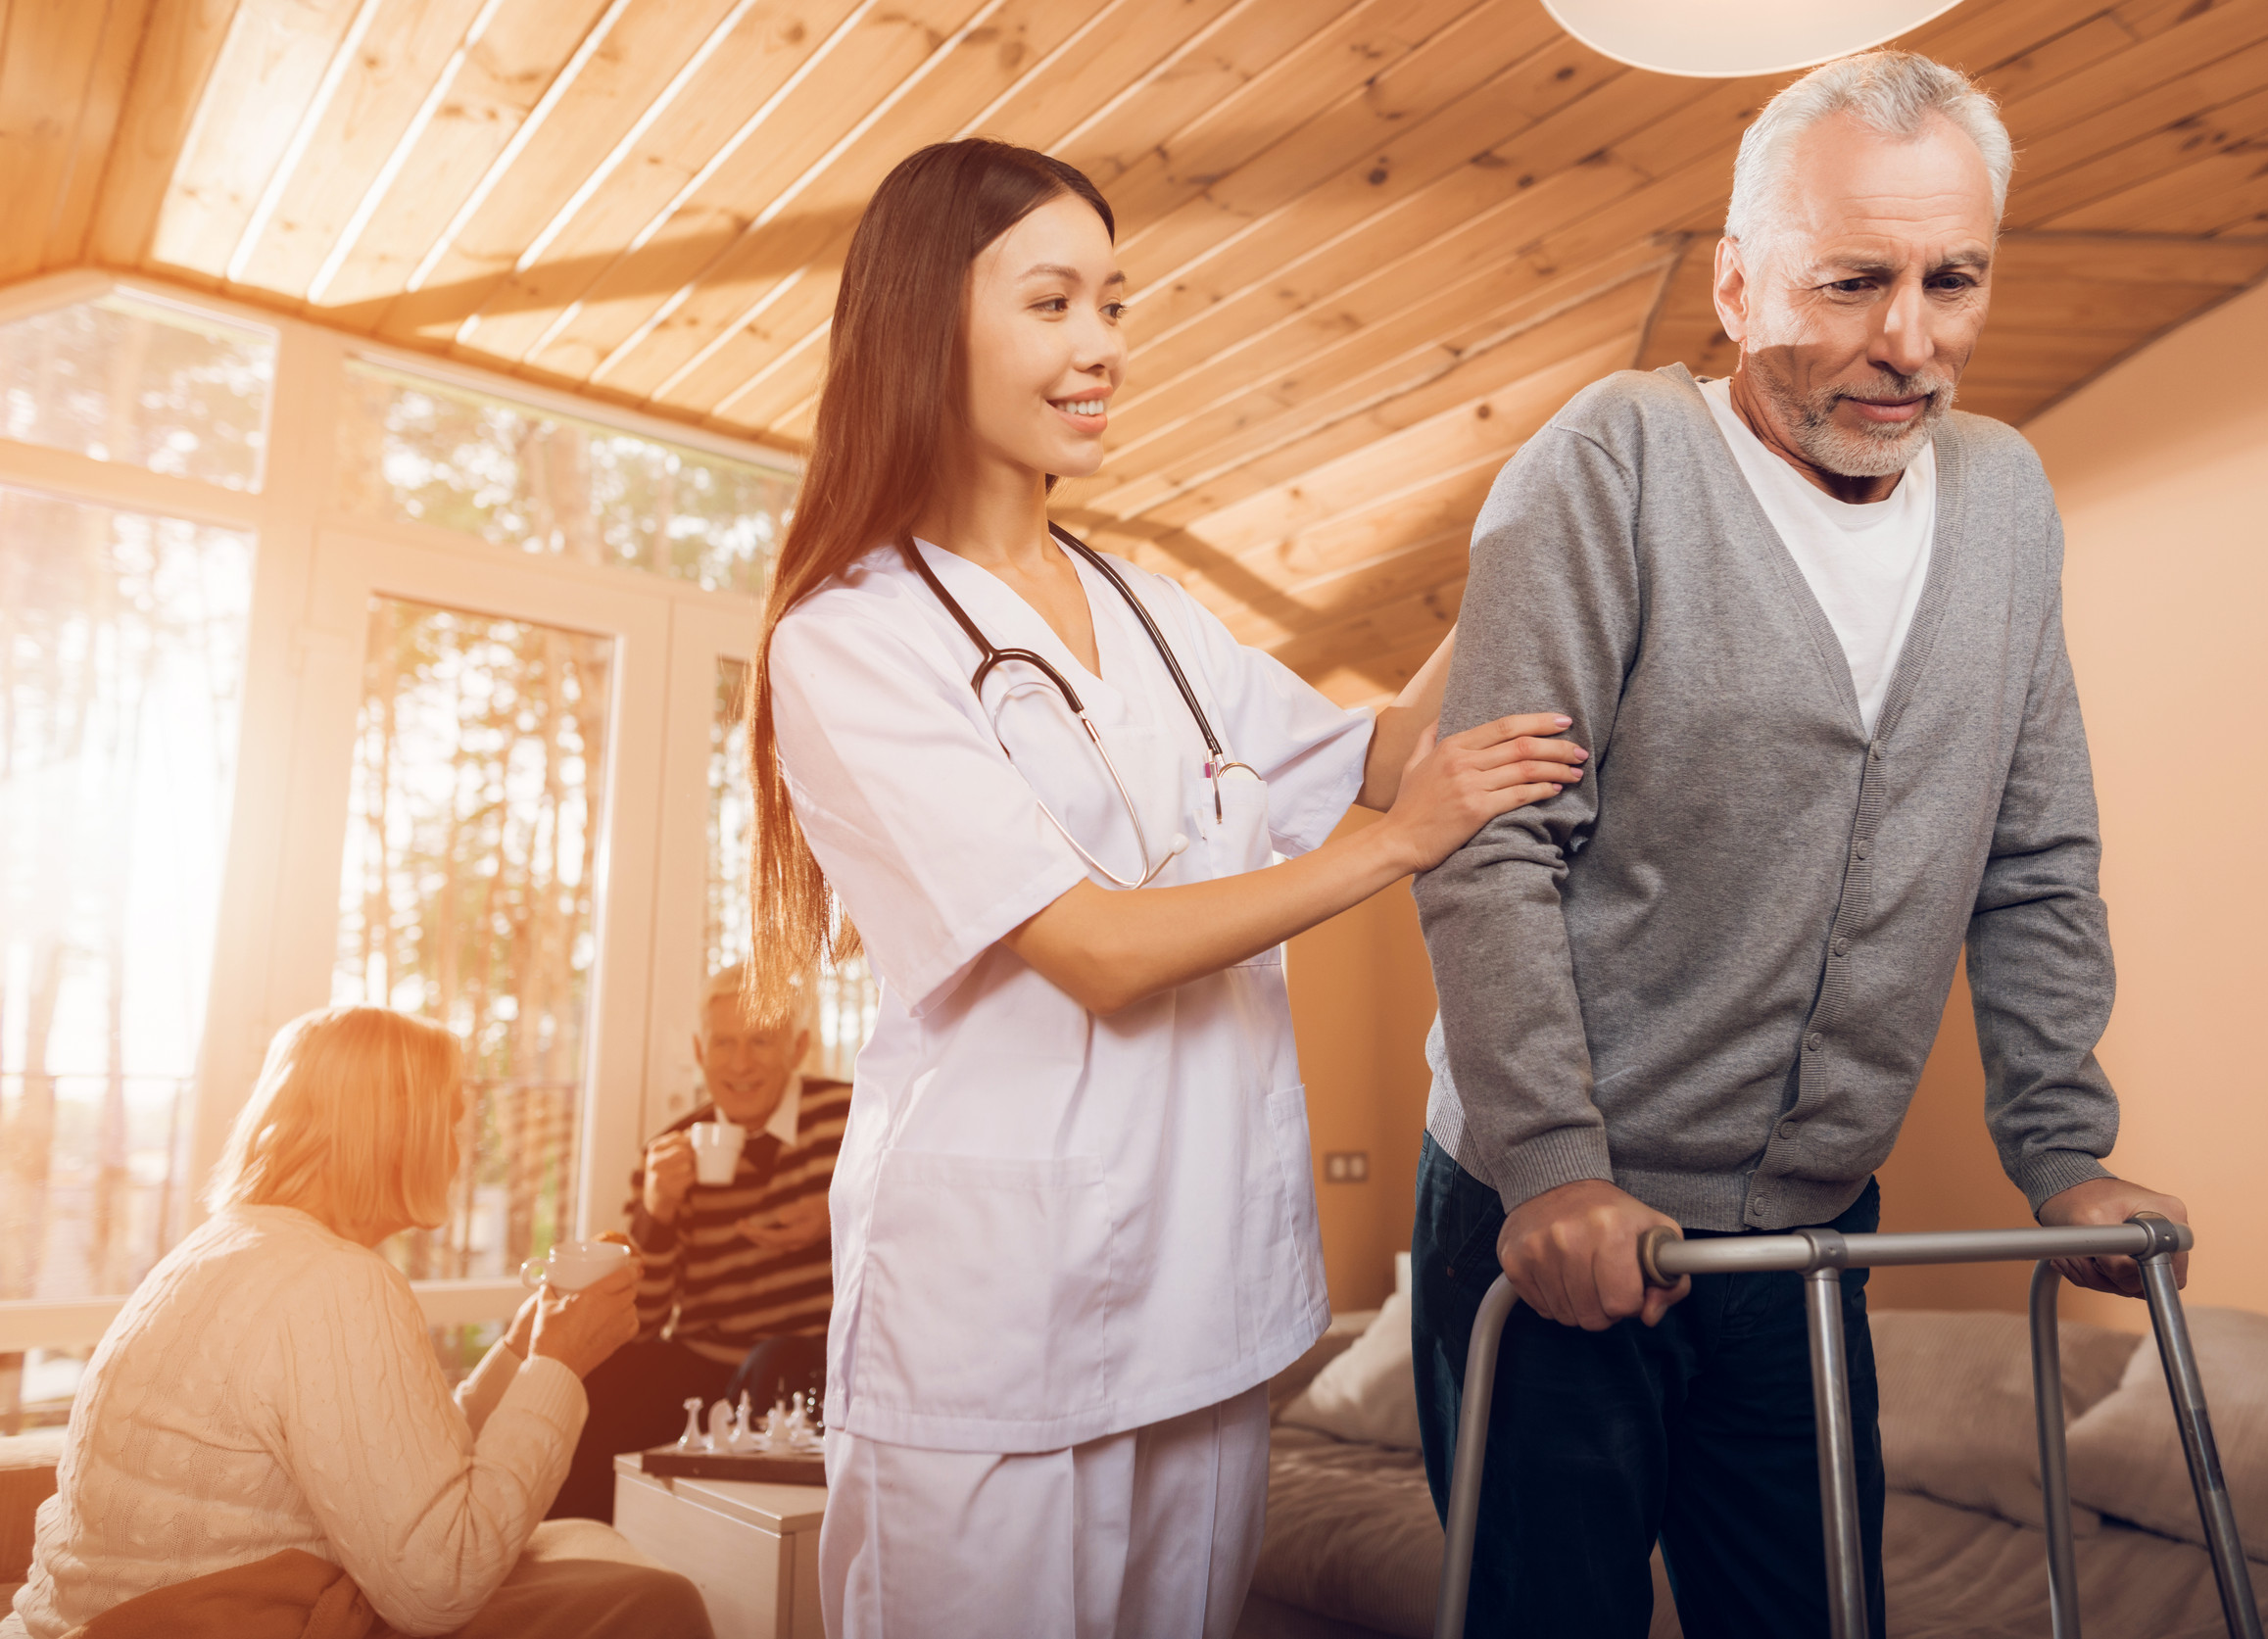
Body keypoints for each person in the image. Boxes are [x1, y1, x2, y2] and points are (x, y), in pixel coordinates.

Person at [739, 139, 1585, 1638]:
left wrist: (1530, 520)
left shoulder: (1151, 609)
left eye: (1112, 305)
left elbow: (1383, 756)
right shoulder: (850, 639)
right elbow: (1096, 948)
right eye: (1054, 302)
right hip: (994, 1336)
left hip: (1204, 1309)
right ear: (925, 323)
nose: (1102, 347)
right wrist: (1385, 854)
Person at [1408, 50, 2194, 1637]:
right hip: (1555, 1220)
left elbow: (2033, 850)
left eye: (1950, 279)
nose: (1907, 342)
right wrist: (1557, 1169)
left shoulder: (2002, 499)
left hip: (1807, 1233)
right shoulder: (1612, 465)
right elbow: (1492, 840)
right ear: (1735, 280)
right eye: (1849, 283)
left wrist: (2063, 1148)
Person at [3, 1005, 710, 1639]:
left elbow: (394, 1467)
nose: (461, 1152)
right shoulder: (337, 1282)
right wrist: (560, 1366)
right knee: (661, 1599)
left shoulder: (227, 1243)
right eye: (451, 1120)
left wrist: (523, 1347)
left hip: (76, 1621)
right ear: (394, 1129)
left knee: (599, 1555)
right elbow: (441, 1585)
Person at [548, 964, 848, 1521]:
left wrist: (841, 1215)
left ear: (798, 1046)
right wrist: (657, 1210)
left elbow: (922, 1239)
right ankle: (574, 1555)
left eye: (761, 1040)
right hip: (706, 1360)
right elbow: (646, 1314)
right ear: (699, 1049)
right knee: (597, 1380)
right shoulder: (668, 1149)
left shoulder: (851, 1120)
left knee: (773, 1360)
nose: (740, 1063)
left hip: (813, 1359)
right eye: (724, 1043)